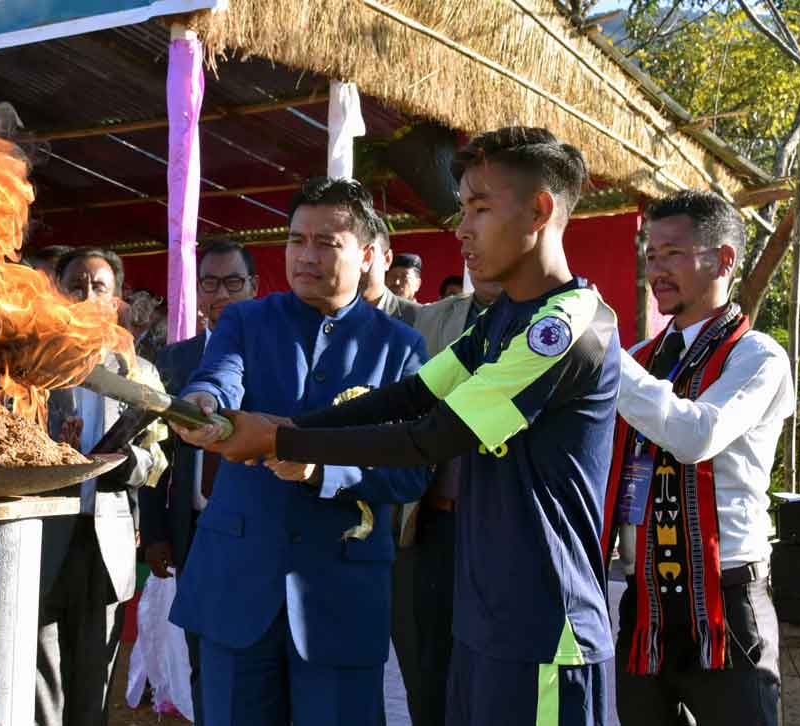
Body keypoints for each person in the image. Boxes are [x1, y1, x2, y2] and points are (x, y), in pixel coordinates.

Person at [199, 128, 619, 726]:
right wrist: (292, 424)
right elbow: (412, 395)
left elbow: (430, 435)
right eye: (462, 209)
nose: (462, 228)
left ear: (540, 211)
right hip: (486, 614)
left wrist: (280, 438)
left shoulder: (562, 328)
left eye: (480, 208)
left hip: (546, 622)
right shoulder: (502, 318)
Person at [168, 177, 431, 726]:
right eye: (296, 240)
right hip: (238, 588)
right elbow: (219, 378)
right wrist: (203, 403)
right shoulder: (245, 320)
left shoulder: (401, 348)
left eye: (326, 243)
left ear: (366, 255)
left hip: (341, 599)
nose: (306, 256)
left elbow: (411, 473)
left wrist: (320, 470)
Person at [601, 191, 791, 726]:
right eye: (651, 254)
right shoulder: (640, 359)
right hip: (645, 602)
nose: (657, 269)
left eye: (673, 253)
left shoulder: (757, 356)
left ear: (723, 259)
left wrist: (605, 355)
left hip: (726, 599)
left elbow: (696, 434)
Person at [40, 247, 169, 726]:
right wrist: (52, 451)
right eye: (75, 285)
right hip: (42, 536)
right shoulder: (33, 366)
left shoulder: (140, 372)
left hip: (107, 541)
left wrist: (122, 461)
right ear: (57, 293)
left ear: (116, 300)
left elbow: (156, 462)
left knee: (95, 680)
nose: (87, 295)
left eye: (99, 286)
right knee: (41, 680)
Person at [140, 238, 259, 725]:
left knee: (253, 663)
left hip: (258, 531)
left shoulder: (273, 353)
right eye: (209, 283)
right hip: (193, 529)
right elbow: (154, 454)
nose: (221, 294)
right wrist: (155, 532)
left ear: (254, 287)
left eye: (233, 282)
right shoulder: (172, 361)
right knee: (201, 658)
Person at [386, 271, 503, 726]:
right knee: (427, 679)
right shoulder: (429, 319)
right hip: (430, 525)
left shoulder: (561, 322)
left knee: (499, 688)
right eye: (466, 235)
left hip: (507, 535)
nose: (471, 239)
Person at [364, 217, 426, 331]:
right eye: (393, 276)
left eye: (404, 277)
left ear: (417, 284)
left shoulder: (422, 315)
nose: (396, 282)